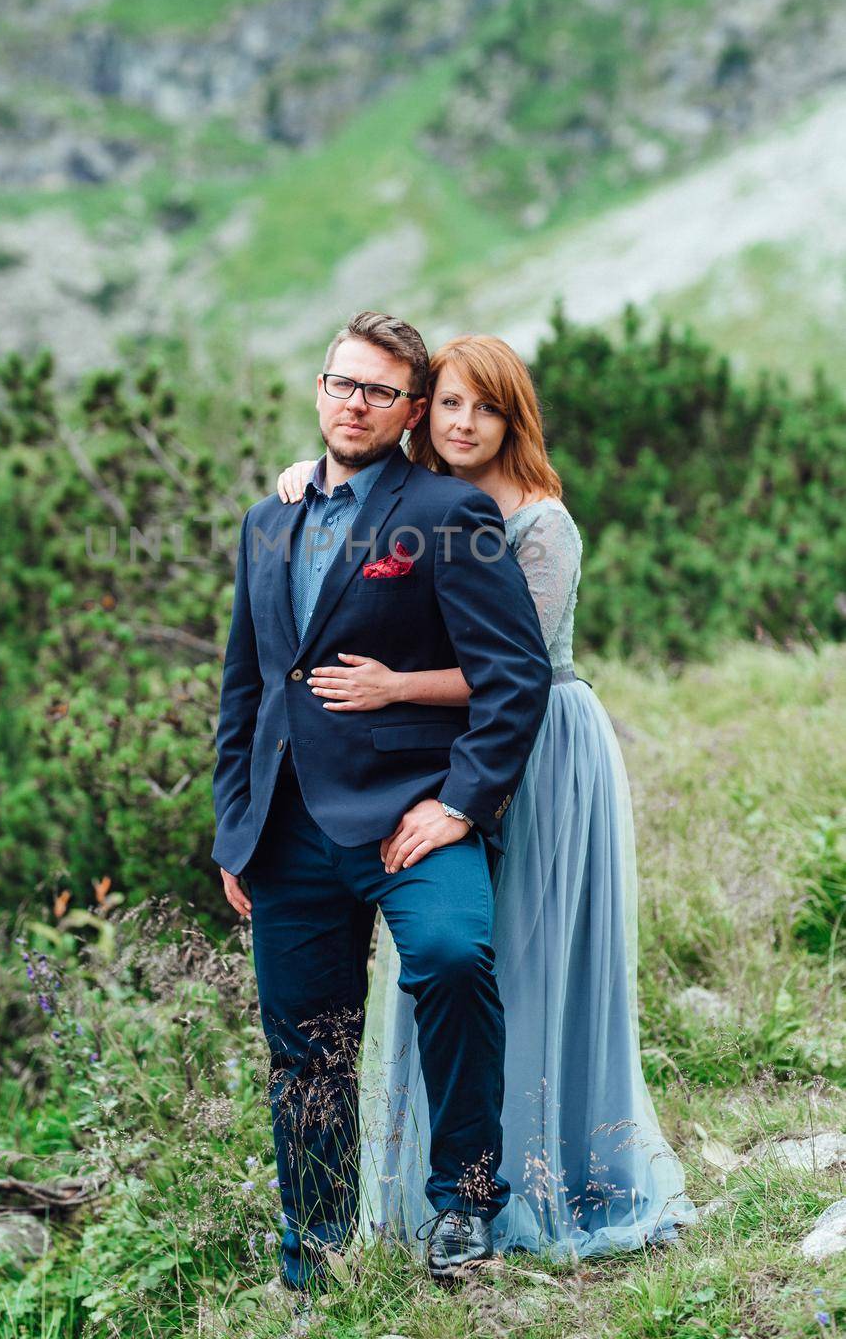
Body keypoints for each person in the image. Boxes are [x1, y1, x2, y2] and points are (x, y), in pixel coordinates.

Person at [276, 334, 696, 1261]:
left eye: (487, 408)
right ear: (422, 409)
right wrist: (308, 472)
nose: (464, 424)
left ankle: (551, 1176)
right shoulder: (415, 502)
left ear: (515, 420)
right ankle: (440, 1190)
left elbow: (516, 670)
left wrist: (392, 688)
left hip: (539, 750)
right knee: (460, 962)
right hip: (440, 759)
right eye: (450, 404)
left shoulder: (539, 522)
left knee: (520, 962)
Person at [213, 312, 552, 1291]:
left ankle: (464, 1203)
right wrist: (234, 826)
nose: (353, 402)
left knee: (452, 957)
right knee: (305, 1043)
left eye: (378, 390)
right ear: (320, 389)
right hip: (284, 827)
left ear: (408, 410)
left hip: (414, 809)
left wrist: (461, 803)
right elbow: (247, 686)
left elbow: (514, 675)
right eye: (341, 383)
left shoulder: (449, 512)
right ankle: (313, 1251)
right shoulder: (266, 519)